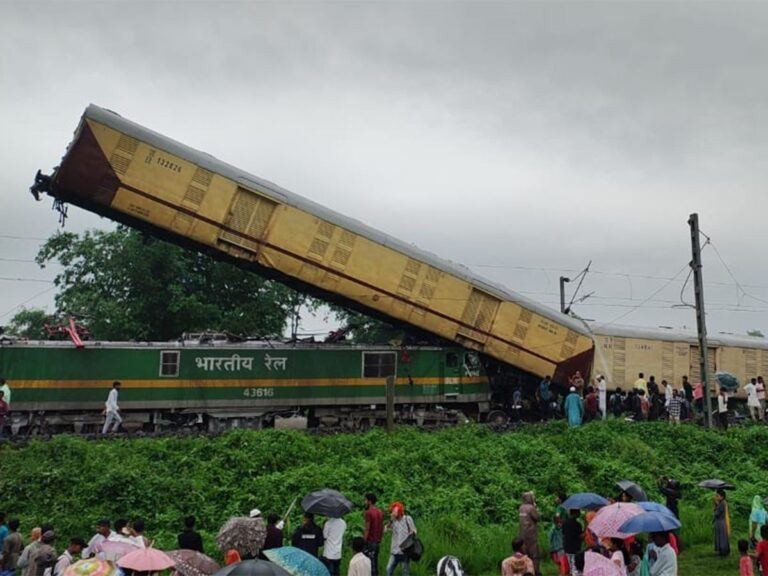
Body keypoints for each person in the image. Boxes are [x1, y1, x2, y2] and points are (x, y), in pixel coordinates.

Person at [385, 502, 416, 576]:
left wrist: (412, 533)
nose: (393, 513)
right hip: (394, 551)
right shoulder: (393, 521)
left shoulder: (407, 519)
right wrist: (391, 521)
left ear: (399, 511)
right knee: (388, 569)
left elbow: (414, 530)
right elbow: (385, 530)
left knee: (405, 572)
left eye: (394, 511)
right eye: (392, 511)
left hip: (404, 551)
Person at [517, 492, 540, 575]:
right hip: (531, 534)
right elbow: (537, 518)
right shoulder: (531, 508)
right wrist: (535, 507)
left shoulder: (521, 508)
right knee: (534, 554)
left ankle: (525, 572)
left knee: (524, 554)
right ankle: (535, 571)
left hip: (522, 534)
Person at [364, 493, 384, 576]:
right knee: (375, 563)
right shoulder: (380, 512)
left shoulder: (368, 513)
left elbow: (367, 528)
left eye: (365, 500)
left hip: (370, 542)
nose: (364, 502)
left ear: (370, 501)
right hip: (377, 542)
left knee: (369, 565)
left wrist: (364, 540)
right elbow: (381, 527)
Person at [548, 493, 567, 569]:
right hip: (565, 528)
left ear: (560, 499)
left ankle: (561, 566)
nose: (556, 499)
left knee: (558, 546)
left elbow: (557, 516)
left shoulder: (559, 507)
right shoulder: (567, 507)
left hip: (559, 529)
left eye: (557, 497)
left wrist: (558, 523)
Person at [563, 510, 583, 576]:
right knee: (575, 565)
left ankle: (572, 573)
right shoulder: (577, 524)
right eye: (578, 512)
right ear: (575, 514)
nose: (579, 514)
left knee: (570, 564)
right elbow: (580, 536)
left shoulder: (565, 523)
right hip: (576, 547)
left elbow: (563, 533)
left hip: (567, 546)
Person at [714, 489, 731, 556]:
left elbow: (716, 513)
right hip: (722, 522)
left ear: (722, 497)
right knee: (722, 536)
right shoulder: (724, 502)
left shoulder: (721, 503)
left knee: (721, 537)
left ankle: (723, 551)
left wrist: (716, 505)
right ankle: (723, 550)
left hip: (720, 522)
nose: (716, 497)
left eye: (717, 496)